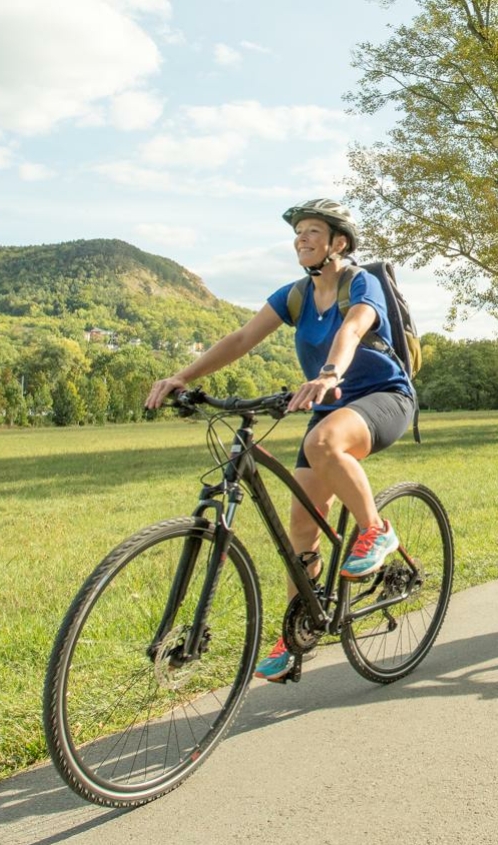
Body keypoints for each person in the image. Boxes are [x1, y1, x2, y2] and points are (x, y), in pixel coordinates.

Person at [145, 198, 416, 683]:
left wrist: (330, 373)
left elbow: (354, 329)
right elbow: (241, 339)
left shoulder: (361, 283)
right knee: (302, 528)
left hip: (383, 397)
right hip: (331, 406)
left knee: (323, 444)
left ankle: (377, 530)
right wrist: (182, 377)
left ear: (339, 242)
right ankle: (298, 634)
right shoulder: (294, 297)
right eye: (298, 234)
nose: (301, 240)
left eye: (312, 231)